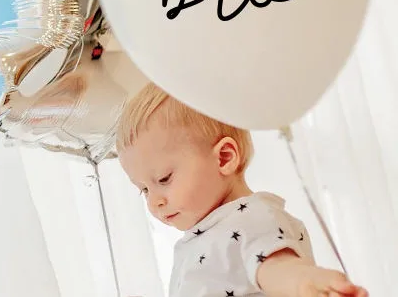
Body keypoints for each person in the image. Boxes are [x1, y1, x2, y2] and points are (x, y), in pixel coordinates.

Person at [117, 82, 368, 296]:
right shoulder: (206, 235)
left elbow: (275, 267)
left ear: (224, 158)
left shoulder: (249, 218)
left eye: (163, 179)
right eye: (144, 190)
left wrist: (304, 283)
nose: (154, 202)